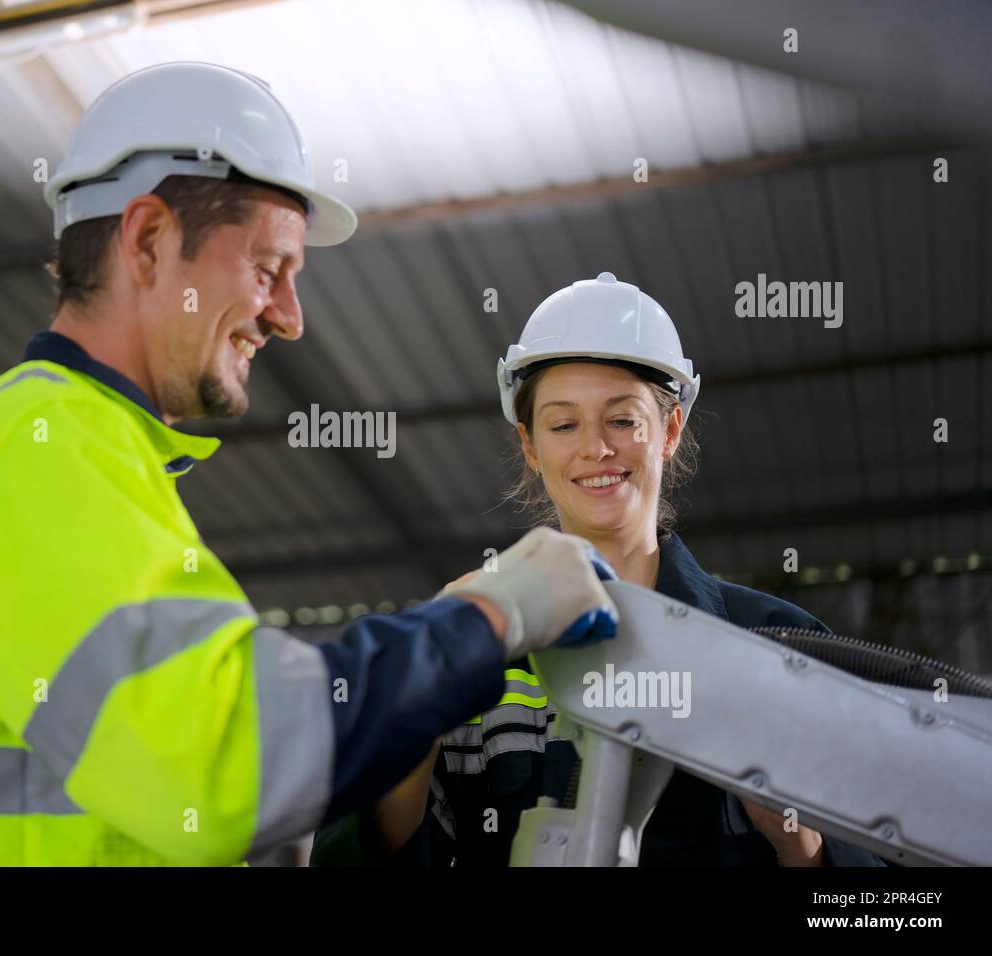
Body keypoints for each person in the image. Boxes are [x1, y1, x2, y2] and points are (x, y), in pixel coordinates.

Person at [0, 63, 619, 866]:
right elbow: (220, 758)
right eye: (268, 269)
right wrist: (493, 616)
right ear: (147, 240)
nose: (289, 317)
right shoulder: (38, 447)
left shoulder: (76, 452)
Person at [311, 272, 884, 867]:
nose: (596, 450)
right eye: (563, 425)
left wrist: (799, 842)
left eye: (623, 419)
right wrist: (421, 697)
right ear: (531, 447)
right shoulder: (478, 648)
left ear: (669, 430)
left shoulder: (772, 645)